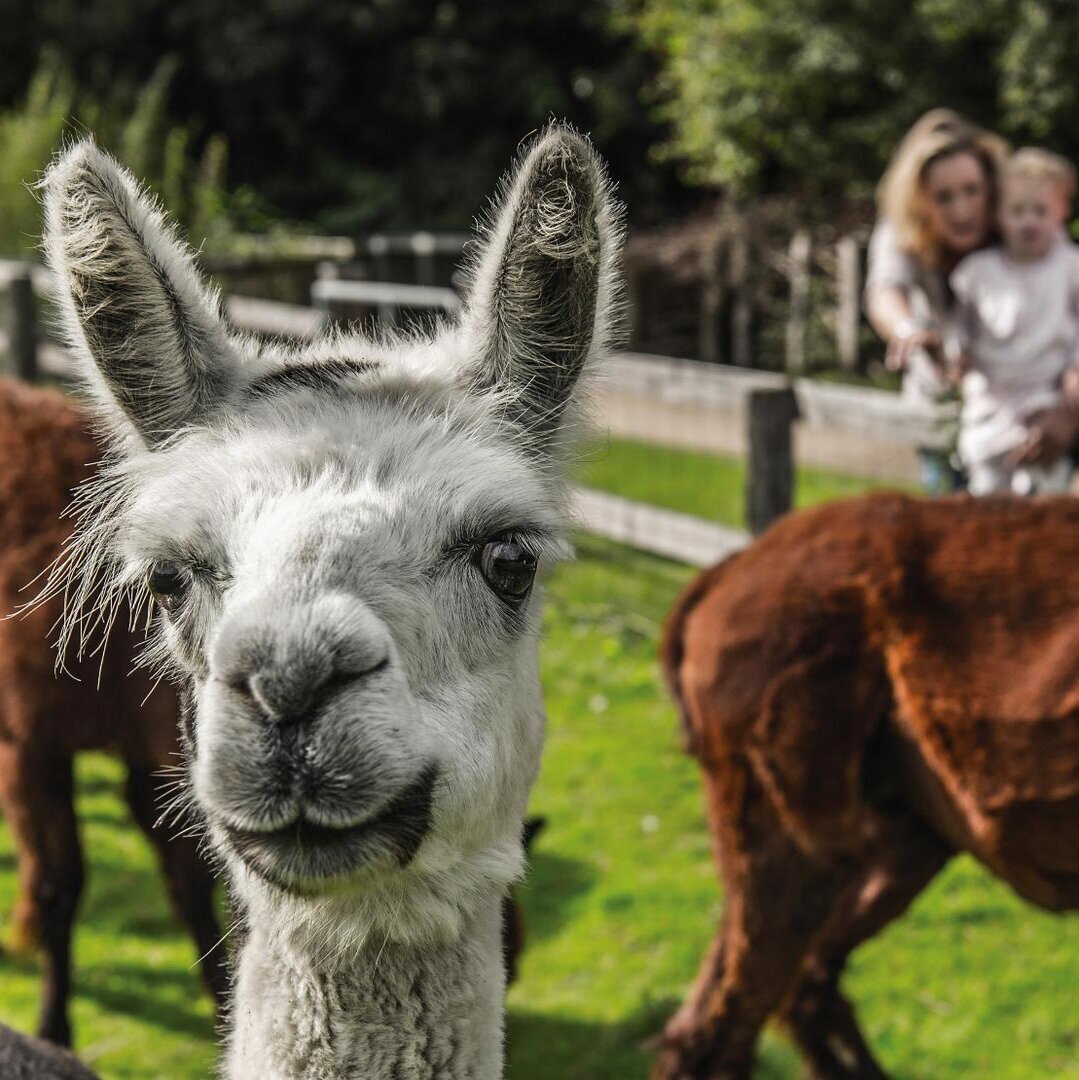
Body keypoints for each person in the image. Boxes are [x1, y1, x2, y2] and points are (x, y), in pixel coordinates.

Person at [865, 110, 1009, 493]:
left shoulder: (1017, 224)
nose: (961, 210)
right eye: (943, 198)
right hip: (942, 410)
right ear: (918, 201)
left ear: (992, 188)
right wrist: (910, 330)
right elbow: (884, 290)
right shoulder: (901, 229)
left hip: (1014, 416)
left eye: (972, 191)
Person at [949, 149, 1079, 494]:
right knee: (987, 498)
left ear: (1062, 211)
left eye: (1040, 211)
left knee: (1044, 501)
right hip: (990, 404)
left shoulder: (1070, 268)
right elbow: (958, 325)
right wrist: (955, 353)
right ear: (998, 215)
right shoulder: (977, 271)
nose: (1028, 221)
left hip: (1045, 402)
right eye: (1017, 211)